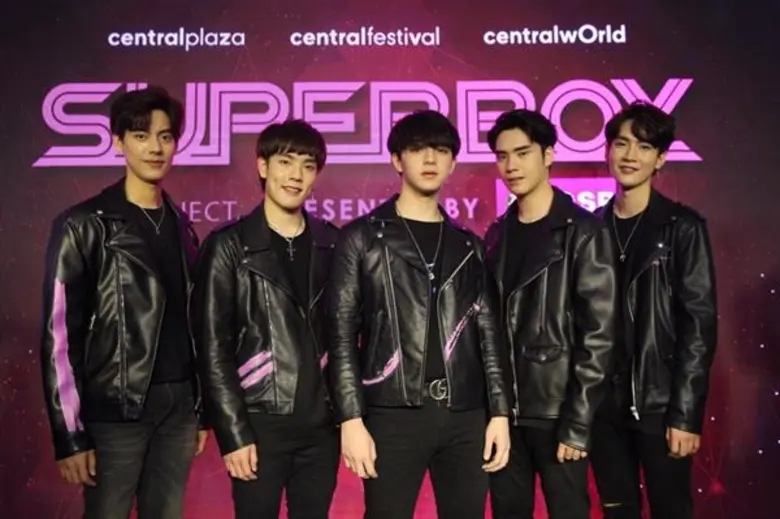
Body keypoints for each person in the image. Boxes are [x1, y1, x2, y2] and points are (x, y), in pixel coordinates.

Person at [327, 109, 511, 519]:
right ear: (397, 160)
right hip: (393, 413)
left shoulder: (468, 245)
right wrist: (350, 418)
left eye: (441, 150)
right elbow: (340, 335)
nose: (430, 159)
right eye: (417, 149)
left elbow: (488, 333)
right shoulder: (362, 238)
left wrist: (499, 412)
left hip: (465, 414)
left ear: (453, 163)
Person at [39, 86, 208, 519]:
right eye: (141, 135)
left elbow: (195, 324)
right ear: (118, 142)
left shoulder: (182, 226)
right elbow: (59, 337)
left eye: (165, 137)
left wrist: (200, 408)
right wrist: (70, 434)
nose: (155, 147)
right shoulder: (83, 224)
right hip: (116, 409)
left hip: (178, 407)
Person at [192, 119, 340, 519]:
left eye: (307, 165)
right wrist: (233, 433)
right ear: (262, 166)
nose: (296, 175)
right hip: (259, 427)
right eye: (285, 162)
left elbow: (347, 337)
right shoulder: (229, 246)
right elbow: (212, 347)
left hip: (321, 432)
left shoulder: (332, 243)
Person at [484, 109, 617, 519]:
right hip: (506, 416)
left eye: (523, 153)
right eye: (503, 156)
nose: (511, 165)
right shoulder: (497, 234)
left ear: (548, 155)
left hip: (558, 411)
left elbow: (599, 335)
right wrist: (495, 409)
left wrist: (577, 423)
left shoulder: (584, 231)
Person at [589, 101, 718, 519]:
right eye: (622, 144)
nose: (630, 156)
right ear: (607, 150)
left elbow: (698, 327)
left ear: (660, 159)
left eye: (644, 147)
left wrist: (686, 414)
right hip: (603, 408)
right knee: (617, 511)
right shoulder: (590, 230)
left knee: (671, 509)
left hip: (659, 404)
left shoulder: (682, 228)